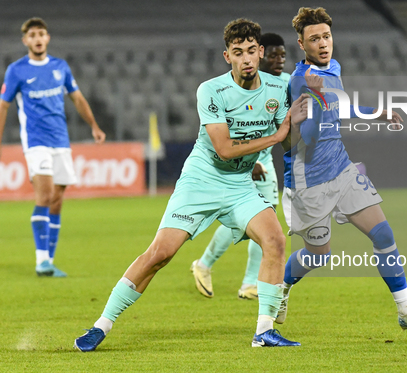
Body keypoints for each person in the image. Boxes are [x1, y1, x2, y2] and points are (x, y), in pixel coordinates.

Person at [74, 18, 308, 351]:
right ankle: (101, 325)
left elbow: (289, 141)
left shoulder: (278, 88)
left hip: (240, 184)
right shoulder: (211, 90)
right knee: (160, 254)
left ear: (260, 52)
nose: (246, 59)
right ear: (227, 56)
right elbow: (225, 150)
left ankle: (264, 331)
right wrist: (277, 135)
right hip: (201, 181)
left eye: (251, 51)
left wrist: (303, 133)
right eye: (237, 52)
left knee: (274, 240)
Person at [277, 7, 407, 334]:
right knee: (318, 256)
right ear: (301, 44)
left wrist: (376, 113)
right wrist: (316, 94)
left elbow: (341, 106)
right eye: (314, 39)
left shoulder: (333, 68)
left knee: (383, 234)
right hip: (309, 181)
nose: (323, 43)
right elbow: (305, 139)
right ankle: (281, 289)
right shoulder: (300, 82)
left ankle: (406, 311)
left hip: (342, 169)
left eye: (326, 36)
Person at [0, 17, 106, 277]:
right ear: (25, 40)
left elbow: (77, 98)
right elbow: (4, 105)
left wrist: (94, 125)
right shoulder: (16, 70)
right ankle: (41, 261)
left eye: (41, 34)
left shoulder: (60, 67)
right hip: (36, 142)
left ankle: (49, 258)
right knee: (45, 196)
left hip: (61, 140)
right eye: (32, 35)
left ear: (47, 38)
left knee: (57, 200)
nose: (37, 39)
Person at [190, 33, 291, 300]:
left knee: (255, 220)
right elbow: (234, 126)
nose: (278, 60)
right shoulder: (235, 86)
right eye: (273, 55)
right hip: (247, 160)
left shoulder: (285, 84)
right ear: (260, 54)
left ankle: (222, 272)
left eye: (282, 55)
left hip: (264, 158)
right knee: (259, 219)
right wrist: (253, 160)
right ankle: (232, 276)